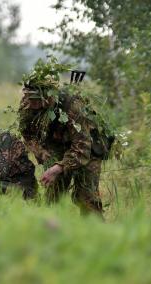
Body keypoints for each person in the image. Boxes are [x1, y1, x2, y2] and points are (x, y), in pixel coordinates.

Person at [18, 67, 107, 217]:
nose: (31, 103)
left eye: (35, 100)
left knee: (86, 198)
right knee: (53, 197)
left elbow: (82, 148)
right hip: (58, 144)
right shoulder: (28, 103)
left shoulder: (72, 106)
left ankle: (95, 234)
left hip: (88, 147)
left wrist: (58, 167)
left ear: (48, 97)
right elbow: (27, 133)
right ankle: (52, 232)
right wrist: (41, 152)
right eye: (28, 97)